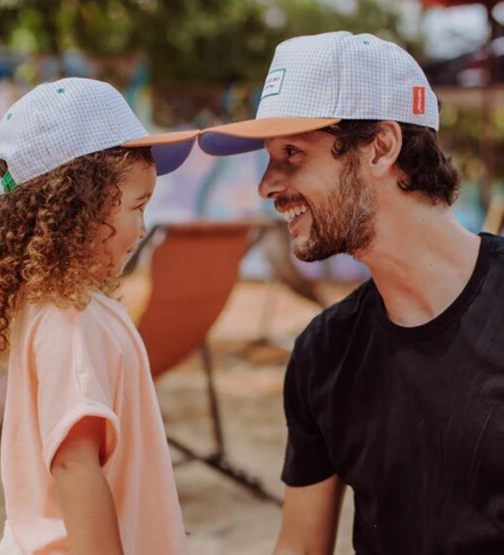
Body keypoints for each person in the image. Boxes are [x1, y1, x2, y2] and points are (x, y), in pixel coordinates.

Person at [199, 31, 504, 555]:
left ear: (381, 147)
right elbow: (299, 546)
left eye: (291, 153)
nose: (267, 185)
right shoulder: (324, 352)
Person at [0, 77, 198, 555]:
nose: (143, 228)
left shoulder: (64, 305)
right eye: (137, 207)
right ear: (77, 209)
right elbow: (74, 466)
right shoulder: (70, 317)